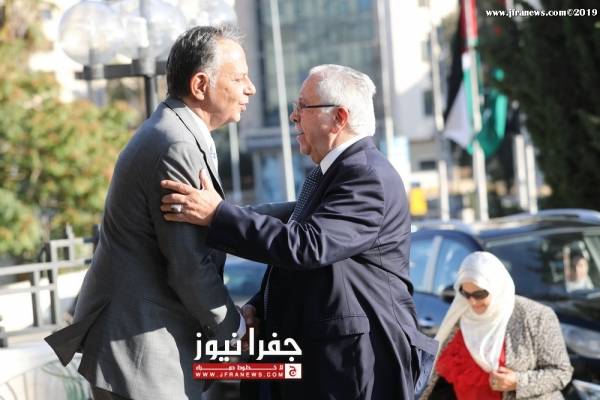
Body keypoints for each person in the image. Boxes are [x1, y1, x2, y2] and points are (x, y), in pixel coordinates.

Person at [159, 64, 438, 400]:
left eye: (302, 106)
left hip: (356, 369)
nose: (293, 117)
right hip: (327, 367)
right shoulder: (335, 173)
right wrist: (257, 309)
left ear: (339, 118)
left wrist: (217, 215)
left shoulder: (366, 176)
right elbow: (302, 265)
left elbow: (306, 246)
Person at [44, 25, 256, 400]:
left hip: (139, 344)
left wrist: (298, 212)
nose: (250, 89)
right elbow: (188, 264)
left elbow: (213, 216)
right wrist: (235, 327)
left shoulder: (175, 130)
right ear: (200, 85)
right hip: (140, 352)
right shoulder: (176, 144)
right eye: (239, 78)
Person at [420, 251, 573, 400]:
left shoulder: (536, 316)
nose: (472, 301)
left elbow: (562, 372)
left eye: (479, 294)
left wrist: (518, 382)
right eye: (466, 293)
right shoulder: (460, 317)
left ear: (496, 287)